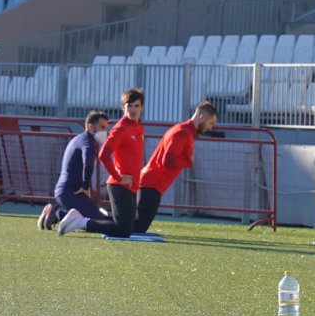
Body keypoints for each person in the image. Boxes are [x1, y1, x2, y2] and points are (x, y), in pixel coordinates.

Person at [57, 89, 144, 238]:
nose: (133, 109)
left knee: (127, 228)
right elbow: (104, 155)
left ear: (141, 107)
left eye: (136, 105)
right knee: (123, 230)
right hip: (120, 185)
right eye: (129, 106)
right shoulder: (120, 129)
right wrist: (118, 177)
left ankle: (62, 215)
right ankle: (81, 222)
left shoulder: (138, 128)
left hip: (131, 185)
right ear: (123, 108)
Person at [134, 101, 219, 234]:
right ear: (202, 117)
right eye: (211, 123)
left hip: (152, 182)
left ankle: (93, 221)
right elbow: (167, 160)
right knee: (138, 227)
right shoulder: (183, 133)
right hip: (152, 182)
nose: (211, 127)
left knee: (136, 225)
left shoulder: (186, 132)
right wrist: (188, 162)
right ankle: (91, 222)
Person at [37, 110, 110, 231]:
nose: (105, 131)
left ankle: (55, 212)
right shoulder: (88, 143)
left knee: (97, 220)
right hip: (71, 193)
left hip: (67, 191)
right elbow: (88, 163)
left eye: (106, 128)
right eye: (102, 127)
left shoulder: (78, 138)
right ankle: (57, 214)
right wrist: (86, 186)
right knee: (100, 223)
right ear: (90, 126)